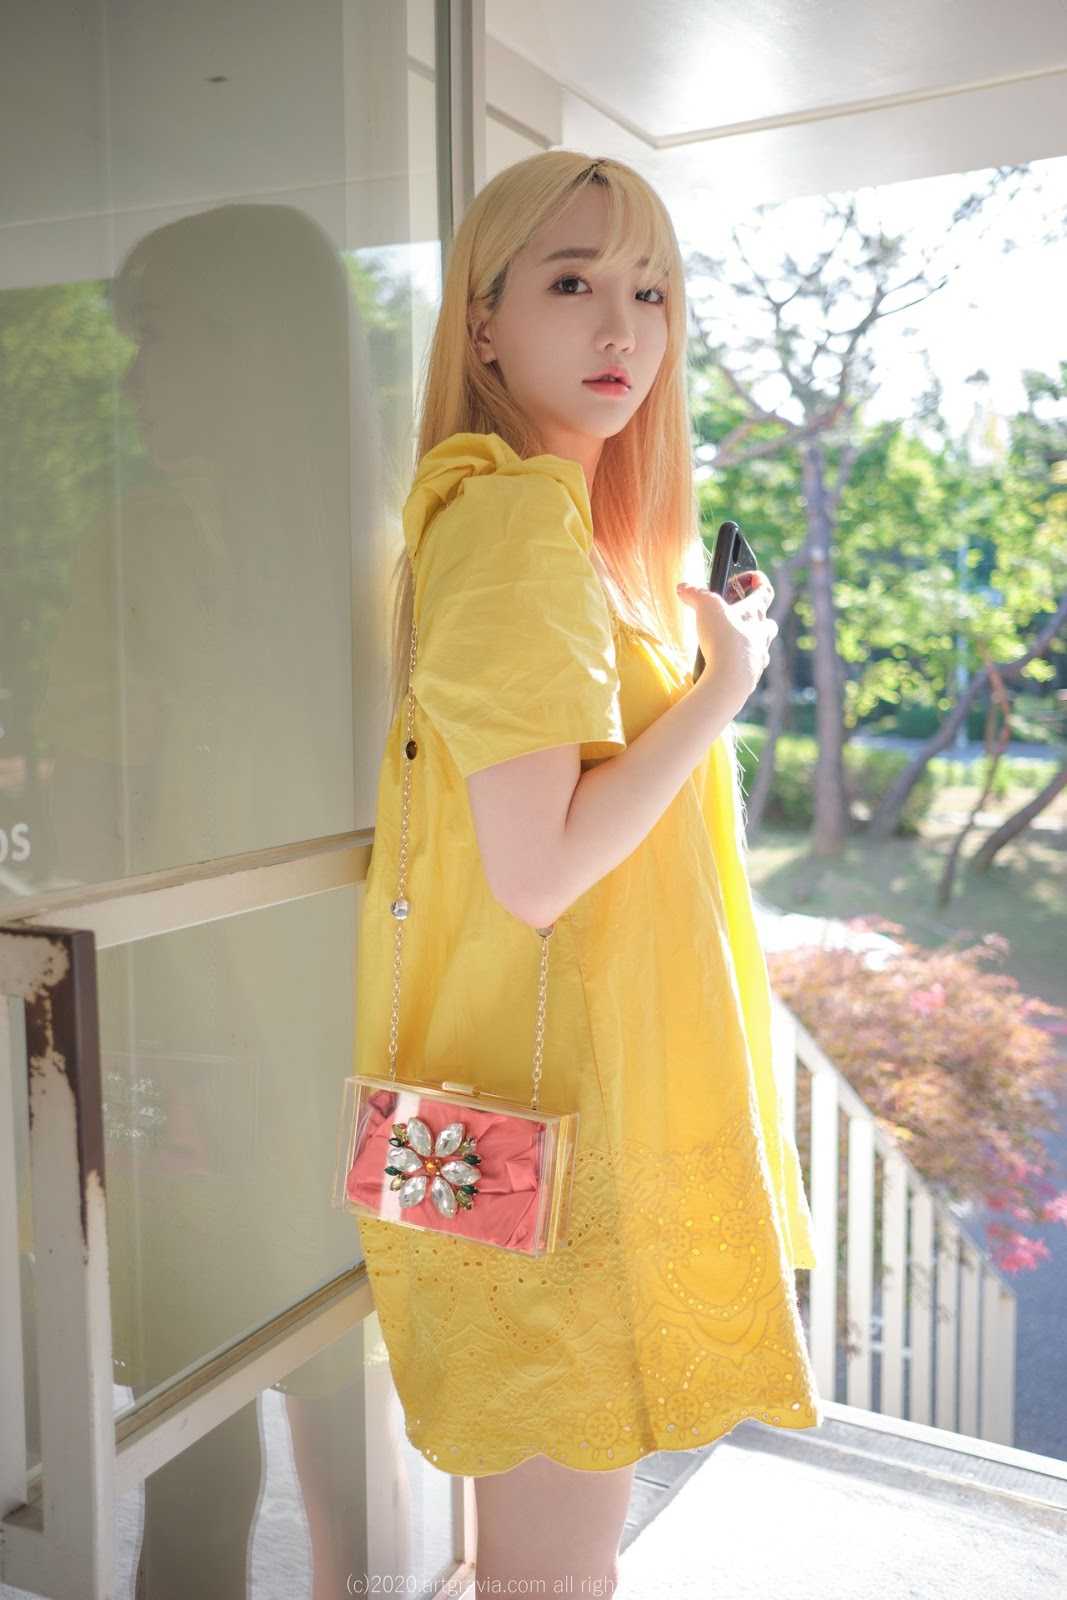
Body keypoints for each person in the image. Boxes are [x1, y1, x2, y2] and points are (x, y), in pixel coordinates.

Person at [353, 150, 823, 1597]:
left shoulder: (557, 524)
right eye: (572, 283)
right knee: (553, 1578)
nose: (623, 329)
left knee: (552, 1562)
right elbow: (541, 868)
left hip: (527, 1118)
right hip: (553, 1136)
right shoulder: (514, 521)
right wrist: (720, 690)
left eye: (651, 290)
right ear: (484, 324)